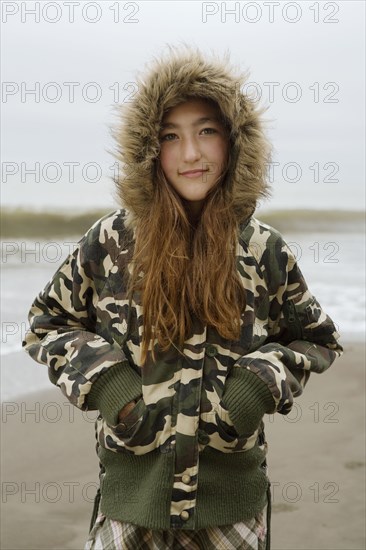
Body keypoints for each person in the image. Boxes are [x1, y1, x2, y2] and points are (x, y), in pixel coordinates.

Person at [23, 46, 343, 550]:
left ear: (234, 141)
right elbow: (48, 322)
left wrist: (256, 387)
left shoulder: (263, 249)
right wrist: (112, 387)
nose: (191, 153)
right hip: (131, 499)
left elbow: (314, 339)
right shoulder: (111, 241)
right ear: (149, 150)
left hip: (231, 504)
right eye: (170, 137)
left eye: (206, 131)